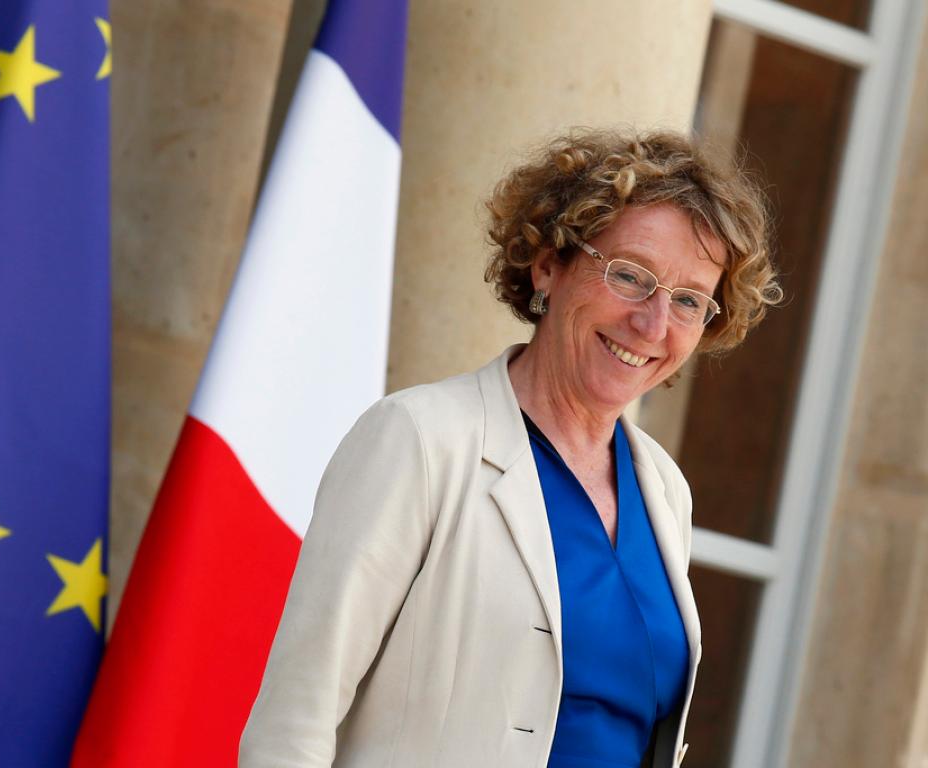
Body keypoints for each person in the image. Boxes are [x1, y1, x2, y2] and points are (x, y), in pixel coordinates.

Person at [238, 129, 782, 768]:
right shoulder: (420, 439)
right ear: (548, 264)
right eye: (630, 276)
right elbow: (294, 722)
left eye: (688, 301)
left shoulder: (663, 489)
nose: (653, 323)